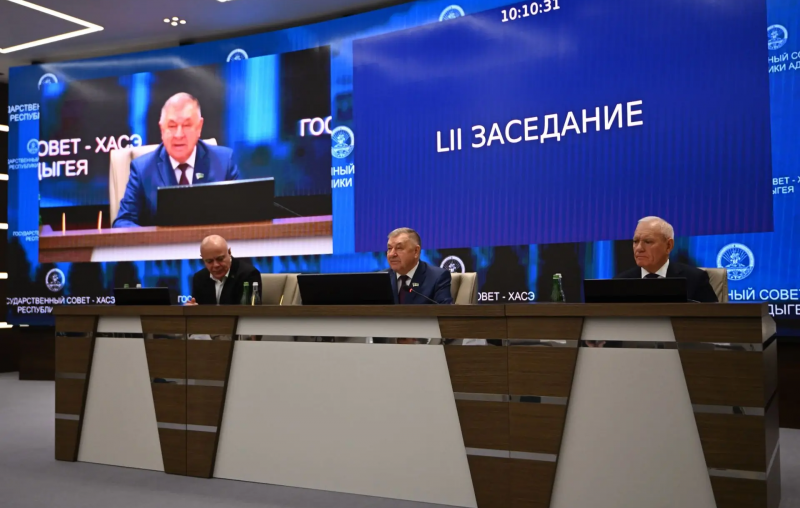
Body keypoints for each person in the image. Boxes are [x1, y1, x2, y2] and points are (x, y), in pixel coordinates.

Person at [113, 93, 239, 228]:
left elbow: (241, 216)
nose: (179, 135)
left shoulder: (224, 162)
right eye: (172, 126)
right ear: (162, 129)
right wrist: (155, 237)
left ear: (199, 127)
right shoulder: (142, 169)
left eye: (187, 125)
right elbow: (122, 222)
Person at [616, 216, 718, 303]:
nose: (639, 248)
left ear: (669, 246)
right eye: (635, 241)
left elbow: (713, 316)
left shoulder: (695, 279)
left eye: (648, 241)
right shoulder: (620, 283)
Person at [186, 235, 261, 305]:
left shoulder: (248, 275)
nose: (216, 265)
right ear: (203, 258)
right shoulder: (199, 278)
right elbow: (198, 308)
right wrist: (191, 310)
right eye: (209, 261)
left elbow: (249, 311)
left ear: (229, 252)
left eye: (220, 259)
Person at [387, 227, 453, 304]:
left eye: (399, 248)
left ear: (416, 251)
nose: (392, 254)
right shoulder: (380, 278)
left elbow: (444, 309)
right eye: (389, 248)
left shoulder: (437, 278)